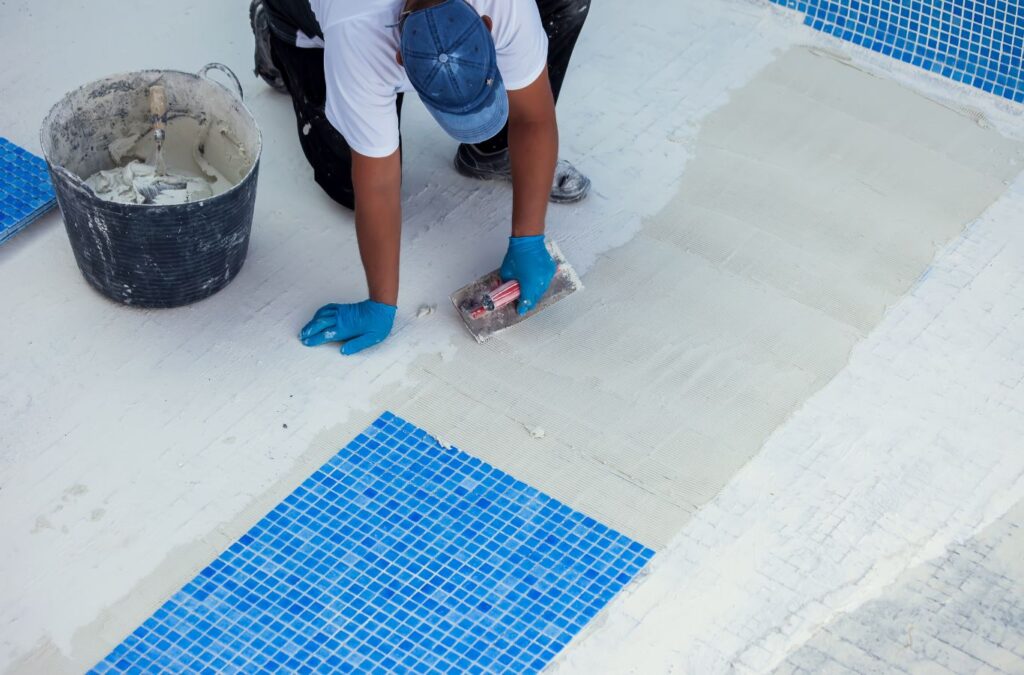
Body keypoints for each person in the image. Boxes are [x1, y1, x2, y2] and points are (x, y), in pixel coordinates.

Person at [249, 0, 592, 355]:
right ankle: (277, 32)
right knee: (346, 182)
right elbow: (377, 184)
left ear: (487, 23)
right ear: (401, 59)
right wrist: (380, 303)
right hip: (315, 15)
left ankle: (490, 151)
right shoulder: (357, 40)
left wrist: (529, 238)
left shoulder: (504, 4)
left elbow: (534, 117)